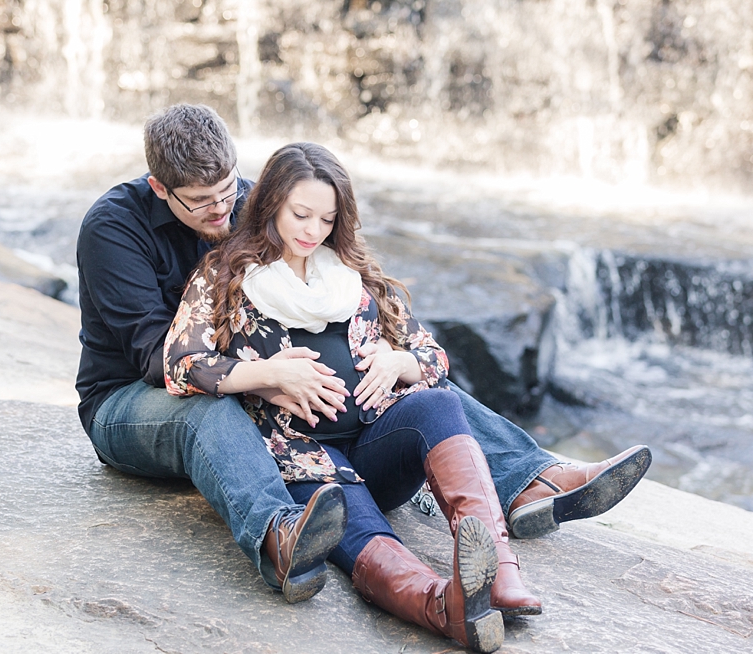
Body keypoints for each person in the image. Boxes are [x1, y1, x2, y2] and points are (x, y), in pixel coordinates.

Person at [75, 103, 651, 611]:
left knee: (422, 396)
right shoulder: (113, 228)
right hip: (130, 401)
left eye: (230, 190)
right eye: (203, 203)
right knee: (209, 411)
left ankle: (526, 482)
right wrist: (263, 377)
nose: (224, 211)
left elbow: (339, 285)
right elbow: (160, 361)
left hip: (286, 400)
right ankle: (280, 535)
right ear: (159, 188)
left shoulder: (255, 205)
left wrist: (389, 356)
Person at [165, 141, 544, 651]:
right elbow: (180, 364)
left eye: (326, 219)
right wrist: (265, 374)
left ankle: (496, 571)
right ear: (271, 202)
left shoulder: (353, 273)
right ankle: (445, 607)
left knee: (439, 402)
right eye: (300, 214)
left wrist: (398, 362)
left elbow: (433, 356)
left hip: (376, 442)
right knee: (354, 526)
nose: (312, 230)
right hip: (300, 461)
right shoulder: (223, 273)